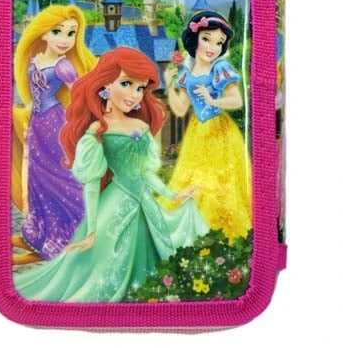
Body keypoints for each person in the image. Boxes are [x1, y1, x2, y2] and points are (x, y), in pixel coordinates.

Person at [14, 47, 208, 302]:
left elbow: (144, 172)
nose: (134, 94)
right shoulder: (97, 130)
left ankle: (150, 296)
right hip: (116, 204)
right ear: (105, 84)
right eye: (126, 84)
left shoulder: (140, 125)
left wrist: (172, 195)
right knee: (109, 263)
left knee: (156, 253)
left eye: (140, 88)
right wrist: (92, 229)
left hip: (146, 204)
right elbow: (92, 183)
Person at [11, 5, 96, 264]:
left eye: (71, 33)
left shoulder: (64, 65)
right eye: (58, 32)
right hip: (37, 124)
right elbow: (34, 93)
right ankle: (44, 232)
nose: (65, 39)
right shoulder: (35, 60)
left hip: (56, 124)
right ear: (44, 33)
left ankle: (70, 233)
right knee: (38, 176)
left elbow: (80, 92)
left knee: (62, 176)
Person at [163, 10, 252, 242]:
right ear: (195, 39)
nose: (213, 47)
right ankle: (194, 231)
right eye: (207, 39)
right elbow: (180, 108)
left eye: (219, 42)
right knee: (194, 178)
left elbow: (236, 100)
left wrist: (213, 100)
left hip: (220, 132)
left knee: (219, 180)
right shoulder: (186, 74)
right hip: (198, 133)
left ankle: (219, 232)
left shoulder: (220, 69)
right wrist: (169, 85)